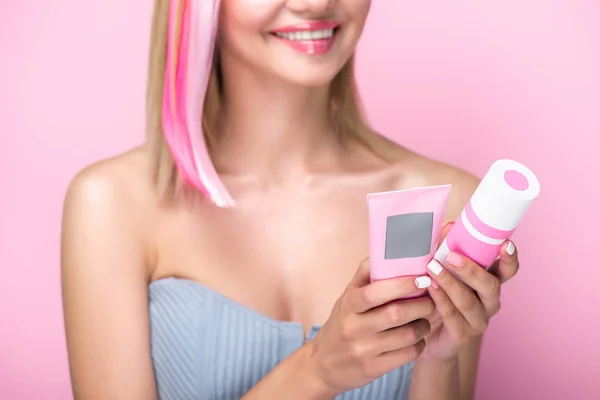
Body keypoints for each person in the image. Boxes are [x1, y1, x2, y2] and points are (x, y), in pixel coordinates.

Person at [60, 0, 520, 399]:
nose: (316, 3)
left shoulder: (443, 199)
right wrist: (319, 370)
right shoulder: (111, 205)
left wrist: (438, 359)